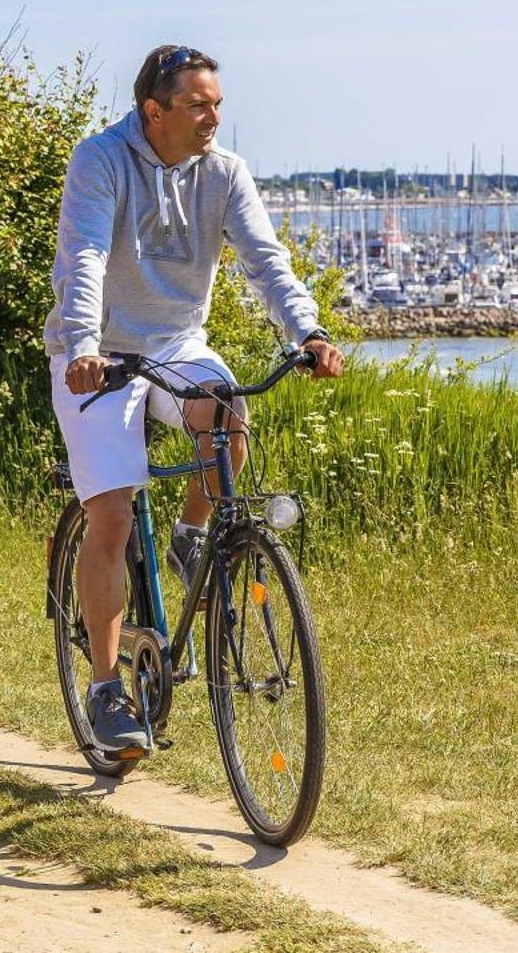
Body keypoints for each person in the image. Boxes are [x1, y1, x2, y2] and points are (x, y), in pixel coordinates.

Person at [46, 44, 343, 757]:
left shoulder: (225, 173)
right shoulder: (101, 160)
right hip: (98, 353)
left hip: (177, 342)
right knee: (111, 513)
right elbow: (84, 255)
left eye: (218, 103)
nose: (214, 116)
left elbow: (267, 261)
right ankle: (106, 685)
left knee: (228, 413)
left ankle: (191, 540)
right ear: (155, 111)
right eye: (198, 104)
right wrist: (84, 343)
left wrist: (307, 331)